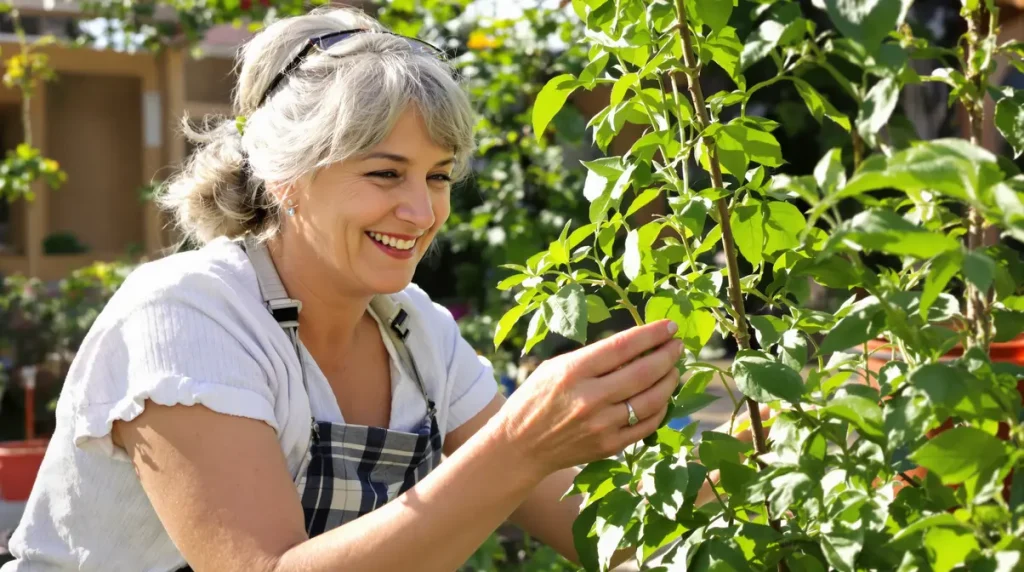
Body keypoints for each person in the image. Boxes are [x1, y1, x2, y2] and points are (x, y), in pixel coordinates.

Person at [0, 7, 685, 571]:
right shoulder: (189, 317)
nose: (422, 213)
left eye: (438, 176)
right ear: (286, 178)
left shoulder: (415, 332)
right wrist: (517, 444)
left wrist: (754, 491)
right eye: (386, 174)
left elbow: (607, 539)